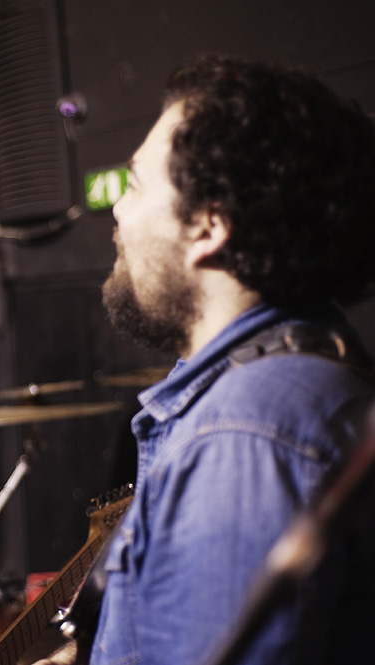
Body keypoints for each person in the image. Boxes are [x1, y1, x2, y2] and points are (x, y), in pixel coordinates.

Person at [43, 55, 375, 665]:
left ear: (207, 226)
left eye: (135, 185)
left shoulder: (242, 436)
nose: (117, 209)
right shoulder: (306, 374)